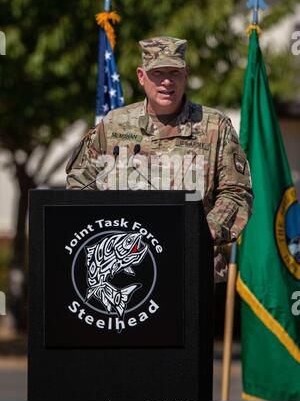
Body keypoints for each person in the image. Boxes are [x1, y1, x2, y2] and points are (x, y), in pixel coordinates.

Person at [66, 36, 253, 281]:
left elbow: (236, 191)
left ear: (186, 74)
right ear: (142, 76)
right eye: (157, 73)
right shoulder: (113, 125)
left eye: (174, 72)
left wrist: (206, 229)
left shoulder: (215, 127)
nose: (166, 82)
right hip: (123, 272)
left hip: (192, 271)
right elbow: (79, 185)